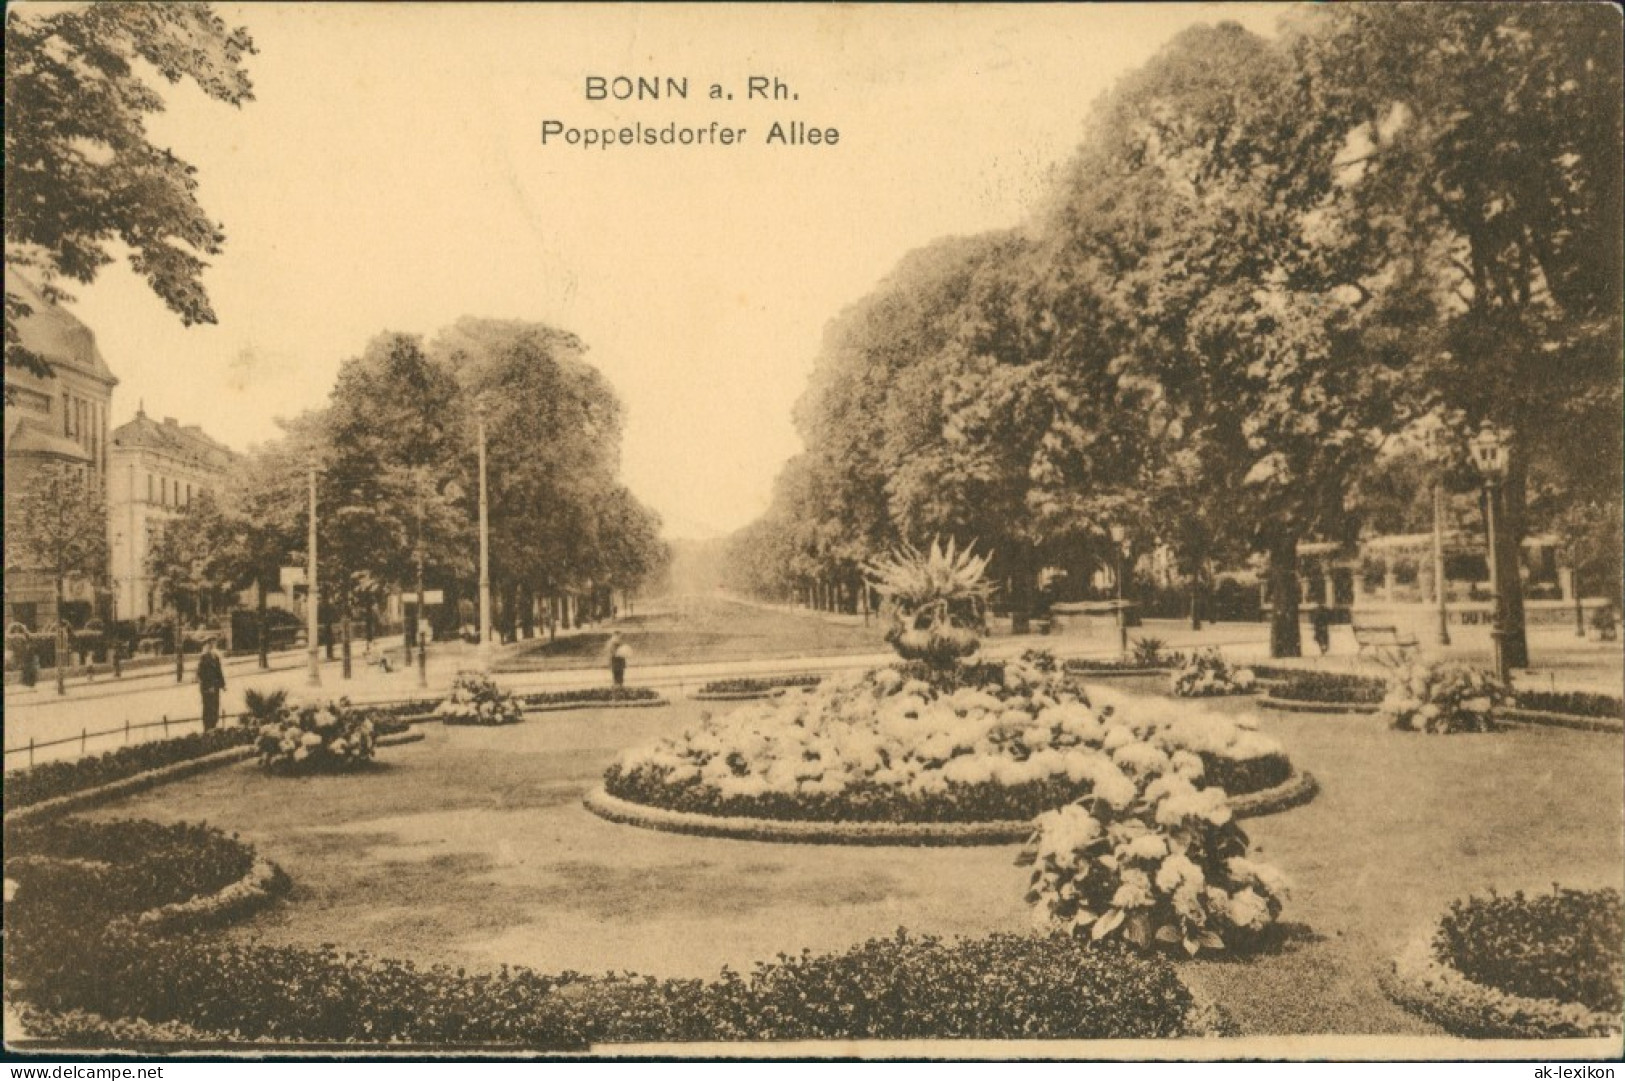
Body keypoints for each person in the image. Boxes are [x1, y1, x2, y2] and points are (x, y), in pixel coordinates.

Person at [197, 638, 227, 731]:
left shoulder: (215, 657)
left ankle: (214, 726)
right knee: (208, 708)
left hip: (215, 687)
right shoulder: (203, 658)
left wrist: (223, 684)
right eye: (209, 644)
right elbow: (200, 674)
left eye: (212, 644)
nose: (210, 646)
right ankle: (207, 728)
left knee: (215, 706)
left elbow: (219, 672)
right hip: (207, 688)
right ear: (205, 646)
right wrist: (208, 687)